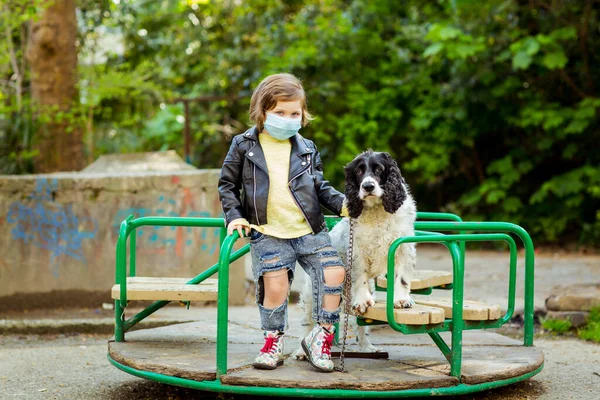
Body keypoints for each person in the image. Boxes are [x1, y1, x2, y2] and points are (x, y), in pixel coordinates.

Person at [218, 73, 348, 372]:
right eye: (279, 112)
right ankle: (272, 341)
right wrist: (235, 215)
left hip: (308, 229)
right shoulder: (243, 145)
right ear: (262, 111)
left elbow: (319, 186)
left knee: (334, 273)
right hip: (268, 231)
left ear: (303, 114)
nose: (288, 118)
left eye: (294, 113)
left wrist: (344, 204)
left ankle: (321, 336)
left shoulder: (307, 148)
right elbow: (227, 185)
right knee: (274, 285)